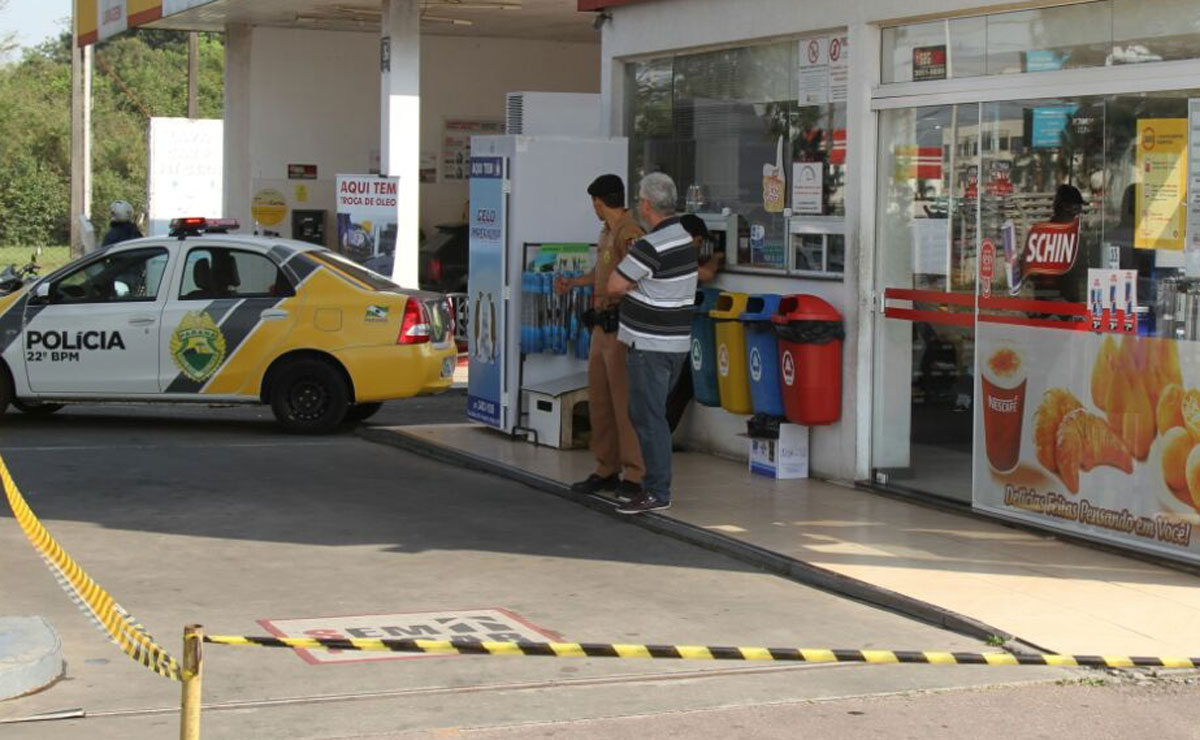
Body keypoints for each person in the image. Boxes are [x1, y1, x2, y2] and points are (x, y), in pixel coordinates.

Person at [606, 173, 698, 514]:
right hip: (674, 345)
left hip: (651, 345)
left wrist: (633, 287)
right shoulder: (684, 239)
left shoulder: (651, 245)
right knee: (647, 413)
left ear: (646, 205)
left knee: (648, 417)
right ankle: (655, 486)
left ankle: (657, 491)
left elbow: (615, 285)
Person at [556, 174, 646, 498]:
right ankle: (606, 468)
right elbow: (603, 272)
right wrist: (576, 283)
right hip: (600, 328)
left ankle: (635, 474)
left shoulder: (630, 232)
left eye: (592, 202)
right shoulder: (606, 232)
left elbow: (639, 276)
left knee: (624, 404)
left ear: (598, 201)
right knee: (600, 401)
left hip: (621, 327)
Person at [665, 214, 724, 432]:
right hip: (670, 333)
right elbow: (706, 274)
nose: (699, 248)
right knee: (678, 385)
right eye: (699, 242)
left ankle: (656, 438)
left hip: (669, 330)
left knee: (680, 385)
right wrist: (717, 257)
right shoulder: (677, 256)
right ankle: (656, 439)